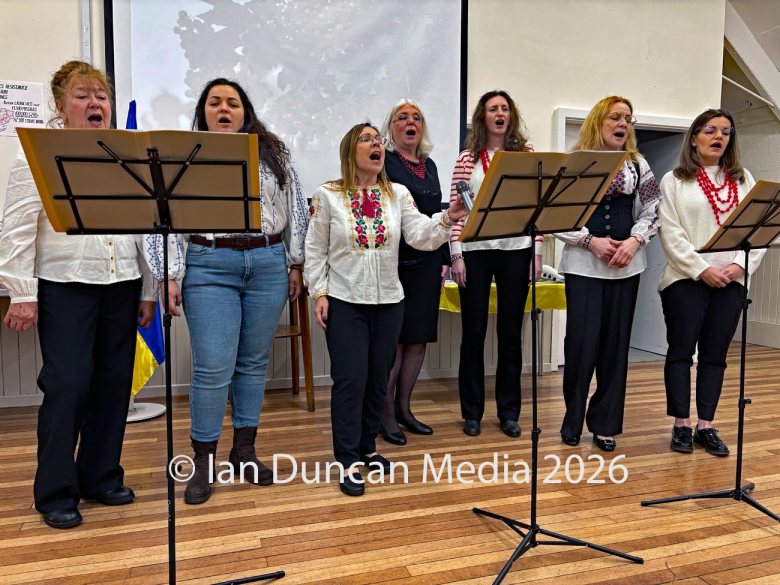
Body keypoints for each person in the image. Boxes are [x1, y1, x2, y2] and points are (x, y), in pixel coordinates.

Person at [0, 60, 158, 529]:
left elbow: (143, 228)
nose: (95, 104)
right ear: (60, 105)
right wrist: (21, 292)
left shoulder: (129, 153)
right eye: (82, 95)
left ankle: (101, 475)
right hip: (64, 283)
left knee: (113, 385)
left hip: (122, 283)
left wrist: (148, 287)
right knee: (68, 387)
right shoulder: (36, 153)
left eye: (101, 96)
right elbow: (17, 228)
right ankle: (54, 490)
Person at [156, 78, 308, 504]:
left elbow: (293, 204)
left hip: (267, 263)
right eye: (215, 103)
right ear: (204, 111)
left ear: (246, 112)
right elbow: (165, 215)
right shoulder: (184, 155)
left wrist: (295, 260)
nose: (225, 109)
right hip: (209, 264)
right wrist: (168, 273)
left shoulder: (273, 151)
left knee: (253, 362)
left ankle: (244, 451)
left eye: (234, 103)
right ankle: (202, 461)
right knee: (212, 366)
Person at [305, 122, 467, 496]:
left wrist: (449, 218)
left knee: (379, 378)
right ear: (350, 151)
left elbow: (421, 236)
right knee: (350, 381)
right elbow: (315, 251)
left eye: (378, 140)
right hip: (345, 302)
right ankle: (346, 460)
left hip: (390, 302)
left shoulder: (398, 193)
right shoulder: (327, 195)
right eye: (367, 139)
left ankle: (367, 447)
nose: (376, 144)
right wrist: (320, 293)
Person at [555, 96, 662, 452]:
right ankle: (572, 419)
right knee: (581, 345)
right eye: (615, 117)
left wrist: (635, 240)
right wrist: (589, 241)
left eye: (628, 118)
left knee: (615, 348)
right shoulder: (575, 163)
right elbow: (554, 213)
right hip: (584, 267)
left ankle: (605, 423)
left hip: (627, 266)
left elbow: (654, 209)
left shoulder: (639, 165)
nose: (623, 124)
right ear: (598, 121)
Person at [658, 108, 766, 457]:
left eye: (726, 131)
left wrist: (738, 266)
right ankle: (681, 424)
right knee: (680, 353)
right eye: (710, 130)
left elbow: (759, 230)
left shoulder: (743, 179)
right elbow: (671, 234)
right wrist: (701, 268)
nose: (719, 136)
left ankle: (706, 424)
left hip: (731, 282)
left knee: (715, 357)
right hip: (685, 280)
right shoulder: (674, 181)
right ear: (694, 137)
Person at [448, 90, 543, 439]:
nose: (499, 113)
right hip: (475, 249)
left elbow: (538, 209)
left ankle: (508, 413)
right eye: (493, 109)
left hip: (517, 249)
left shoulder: (527, 156)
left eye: (504, 108)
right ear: (483, 117)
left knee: (511, 335)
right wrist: (455, 253)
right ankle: (471, 412)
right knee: (473, 333)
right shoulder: (466, 158)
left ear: (510, 116)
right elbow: (457, 212)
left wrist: (537, 253)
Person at [376, 99, 448, 445]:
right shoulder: (385, 163)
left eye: (416, 117)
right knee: (395, 341)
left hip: (429, 263)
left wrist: (446, 257)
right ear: (391, 129)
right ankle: (384, 413)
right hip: (396, 264)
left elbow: (440, 214)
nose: (410, 122)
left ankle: (404, 408)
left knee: (417, 339)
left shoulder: (430, 165)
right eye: (402, 118)